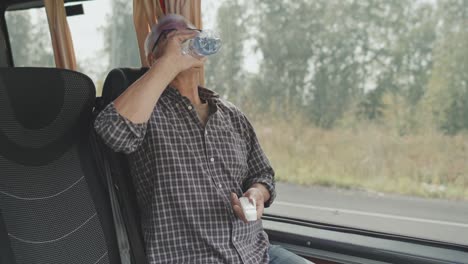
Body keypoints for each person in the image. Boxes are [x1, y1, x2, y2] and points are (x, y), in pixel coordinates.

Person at [95, 14, 311, 264]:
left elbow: (262, 173)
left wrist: (256, 194)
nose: (184, 37)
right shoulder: (145, 112)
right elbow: (112, 131)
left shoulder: (231, 115)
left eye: (190, 31)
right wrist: (168, 65)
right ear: (153, 57)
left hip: (257, 253)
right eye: (169, 35)